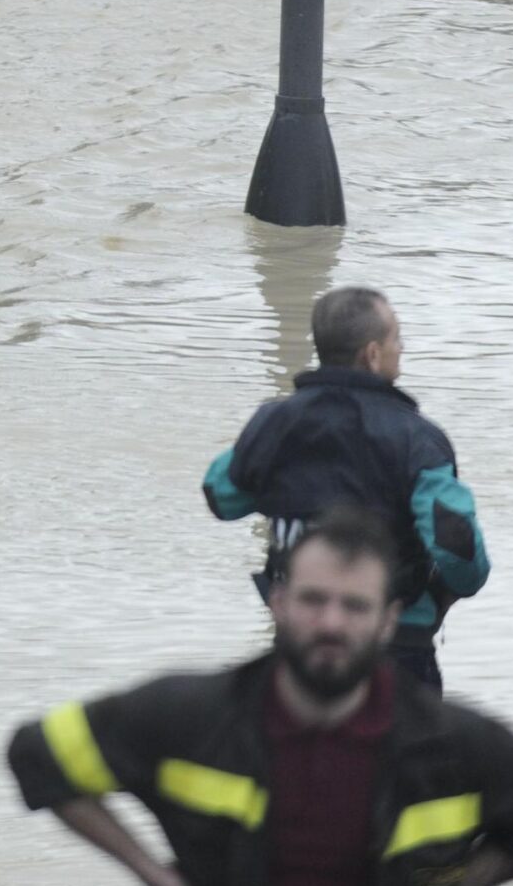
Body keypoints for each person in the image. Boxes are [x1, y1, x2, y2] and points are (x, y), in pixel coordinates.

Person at [7, 506, 513, 886]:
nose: (331, 623)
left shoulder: (457, 745)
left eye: (354, 605)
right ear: (277, 603)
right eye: (313, 600)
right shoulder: (188, 717)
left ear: (388, 621)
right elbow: (38, 754)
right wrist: (157, 880)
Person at [202, 285, 489, 692]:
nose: (401, 348)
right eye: (396, 339)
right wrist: (451, 589)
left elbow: (220, 495)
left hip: (298, 646)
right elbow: (457, 545)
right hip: (396, 648)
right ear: (372, 355)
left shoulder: (273, 423)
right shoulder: (419, 441)